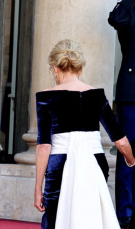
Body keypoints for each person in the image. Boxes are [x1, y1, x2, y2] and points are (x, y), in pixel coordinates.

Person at [34, 39, 135, 229]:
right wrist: (131, 161)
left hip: (59, 165)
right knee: (90, 217)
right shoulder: (96, 95)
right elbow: (121, 141)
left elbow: (43, 146)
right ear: (80, 69)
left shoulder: (46, 96)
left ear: (55, 68)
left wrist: (37, 188)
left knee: (56, 221)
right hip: (94, 161)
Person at [108, 0, 135, 228]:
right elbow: (115, 19)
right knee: (129, 152)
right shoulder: (129, 8)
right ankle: (126, 212)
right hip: (132, 93)